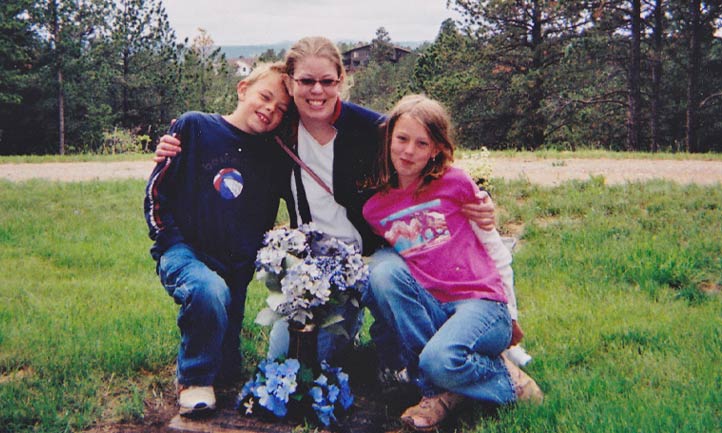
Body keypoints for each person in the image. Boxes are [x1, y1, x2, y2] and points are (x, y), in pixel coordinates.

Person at [152, 36, 496, 370]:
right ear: (291, 82)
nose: (317, 91)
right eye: (306, 81)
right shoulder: (278, 132)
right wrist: (177, 141)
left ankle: (414, 359)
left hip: (370, 256)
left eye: (326, 81)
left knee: (385, 277)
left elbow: (426, 158)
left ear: (340, 81)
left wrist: (480, 197)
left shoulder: (373, 130)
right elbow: (231, 137)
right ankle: (353, 326)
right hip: (315, 266)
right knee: (290, 362)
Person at [361, 94, 543, 431]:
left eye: (421, 143)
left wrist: (512, 315)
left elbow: (496, 248)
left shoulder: (455, 183)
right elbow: (395, 287)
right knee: (381, 272)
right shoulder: (376, 210)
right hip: (434, 306)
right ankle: (442, 390)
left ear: (436, 149)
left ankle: (505, 380)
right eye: (401, 139)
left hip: (481, 306)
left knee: (438, 359)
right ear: (389, 140)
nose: (408, 151)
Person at [143, 62, 291, 416]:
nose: (270, 109)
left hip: (234, 267)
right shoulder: (194, 126)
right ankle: (192, 380)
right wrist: (168, 239)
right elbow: (156, 192)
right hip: (183, 252)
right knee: (208, 292)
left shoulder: (274, 153)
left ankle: (213, 365)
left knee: (227, 368)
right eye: (264, 96)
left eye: (281, 109)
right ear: (242, 89)